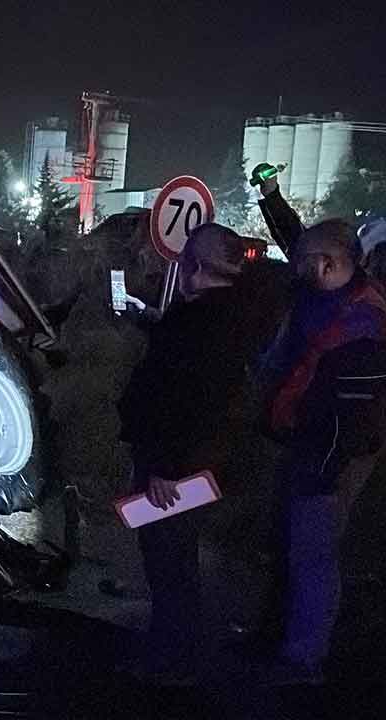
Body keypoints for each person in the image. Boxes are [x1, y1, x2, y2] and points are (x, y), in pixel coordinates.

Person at [252, 167, 386, 682]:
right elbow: (297, 239)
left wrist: (322, 472)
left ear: (329, 264)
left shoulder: (369, 325)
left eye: (303, 265)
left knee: (313, 552)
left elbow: (349, 415)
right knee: (287, 542)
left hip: (332, 453)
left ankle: (304, 660)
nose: (293, 270)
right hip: (303, 439)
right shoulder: (328, 281)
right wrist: (271, 196)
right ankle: (276, 637)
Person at [115, 223, 272, 683]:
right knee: (174, 558)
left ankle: (171, 657)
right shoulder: (226, 315)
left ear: (196, 267)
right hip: (193, 462)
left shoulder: (203, 324)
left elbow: (188, 399)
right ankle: (172, 649)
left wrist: (165, 467)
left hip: (175, 468)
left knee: (170, 561)